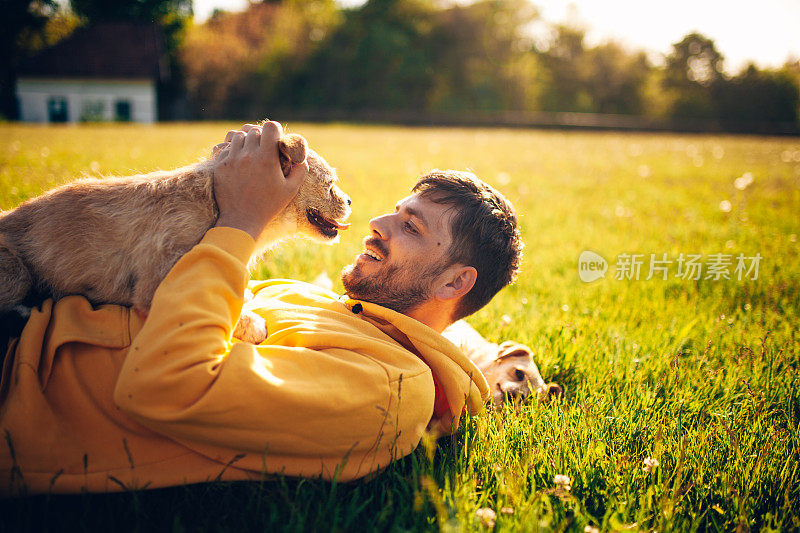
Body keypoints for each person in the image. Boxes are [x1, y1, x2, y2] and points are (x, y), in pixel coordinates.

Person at [0, 122, 523, 496]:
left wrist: (242, 218)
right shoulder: (348, 311)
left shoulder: (390, 389)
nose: (377, 223)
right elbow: (450, 338)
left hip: (19, 375)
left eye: (412, 227)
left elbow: (161, 384)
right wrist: (501, 360)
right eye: (397, 211)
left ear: (456, 281)